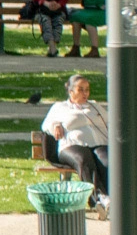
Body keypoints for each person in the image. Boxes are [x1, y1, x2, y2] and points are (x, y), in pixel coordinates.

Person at [41, 74, 109, 207]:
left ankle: (114, 199)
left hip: (98, 144)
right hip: (71, 146)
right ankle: (99, 197)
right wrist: (55, 125)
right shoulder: (60, 107)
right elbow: (46, 124)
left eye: (87, 89)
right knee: (83, 159)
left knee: (108, 160)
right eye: (81, 89)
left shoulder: (95, 106)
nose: (85, 93)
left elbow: (111, 121)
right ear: (71, 92)